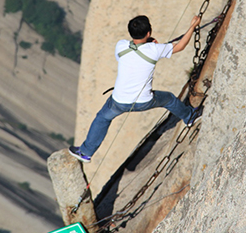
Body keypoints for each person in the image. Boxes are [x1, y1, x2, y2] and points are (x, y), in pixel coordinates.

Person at [69, 15, 202, 163]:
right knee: (169, 99)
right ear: (148, 33)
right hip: (145, 101)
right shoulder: (155, 49)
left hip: (118, 101)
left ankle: (86, 152)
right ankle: (190, 117)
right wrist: (193, 26)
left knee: (102, 118)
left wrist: (150, 45)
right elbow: (180, 46)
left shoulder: (121, 46)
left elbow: (131, 57)